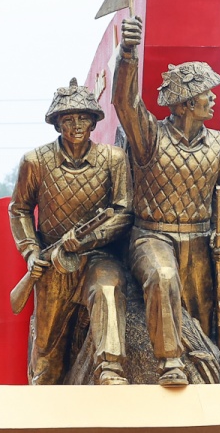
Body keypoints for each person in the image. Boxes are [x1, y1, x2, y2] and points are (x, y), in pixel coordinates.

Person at [114, 17, 220, 386]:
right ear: (184, 103)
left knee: (200, 318)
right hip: (152, 236)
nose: (213, 97)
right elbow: (124, 100)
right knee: (162, 276)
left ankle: (216, 371)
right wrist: (128, 53)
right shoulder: (149, 136)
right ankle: (169, 363)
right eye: (206, 92)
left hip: (200, 238)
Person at [9, 78, 134, 385]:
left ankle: (110, 369)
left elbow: (123, 212)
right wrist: (30, 252)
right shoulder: (35, 161)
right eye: (68, 120)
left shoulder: (113, 160)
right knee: (47, 341)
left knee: (107, 289)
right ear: (57, 124)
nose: (76, 125)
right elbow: (19, 209)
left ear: (93, 122)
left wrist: (88, 239)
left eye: (83, 119)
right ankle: (42, 390)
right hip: (54, 258)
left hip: (97, 254)